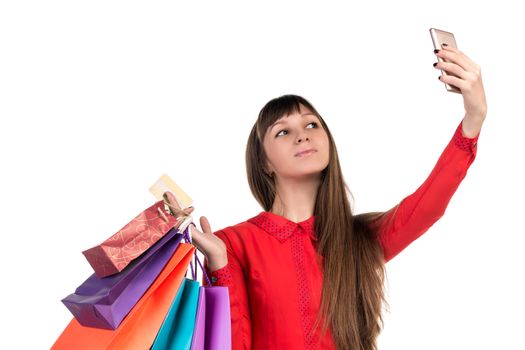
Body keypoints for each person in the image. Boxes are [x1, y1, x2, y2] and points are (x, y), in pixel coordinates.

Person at [167, 44, 487, 350]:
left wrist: (473, 120)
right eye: (283, 131)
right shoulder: (232, 245)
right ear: (263, 162)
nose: (302, 134)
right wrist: (213, 260)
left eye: (311, 124)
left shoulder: (358, 238)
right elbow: (234, 344)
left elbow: (426, 207)